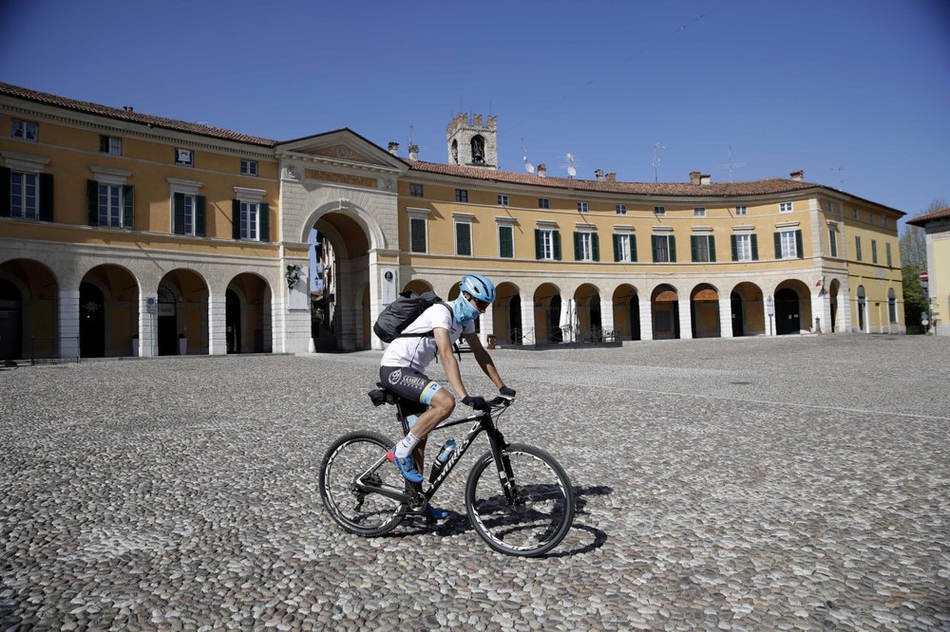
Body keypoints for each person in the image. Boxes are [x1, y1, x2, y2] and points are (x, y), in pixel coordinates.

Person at [379, 274, 515, 520]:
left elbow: (480, 353)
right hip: (395, 369)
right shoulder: (441, 312)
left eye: (486, 305)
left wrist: (502, 386)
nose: (483, 310)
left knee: (419, 441)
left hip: (413, 373)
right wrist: (463, 395)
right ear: (466, 296)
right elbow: (445, 354)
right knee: (446, 402)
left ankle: (416, 502)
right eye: (480, 304)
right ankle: (398, 452)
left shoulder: (465, 322)